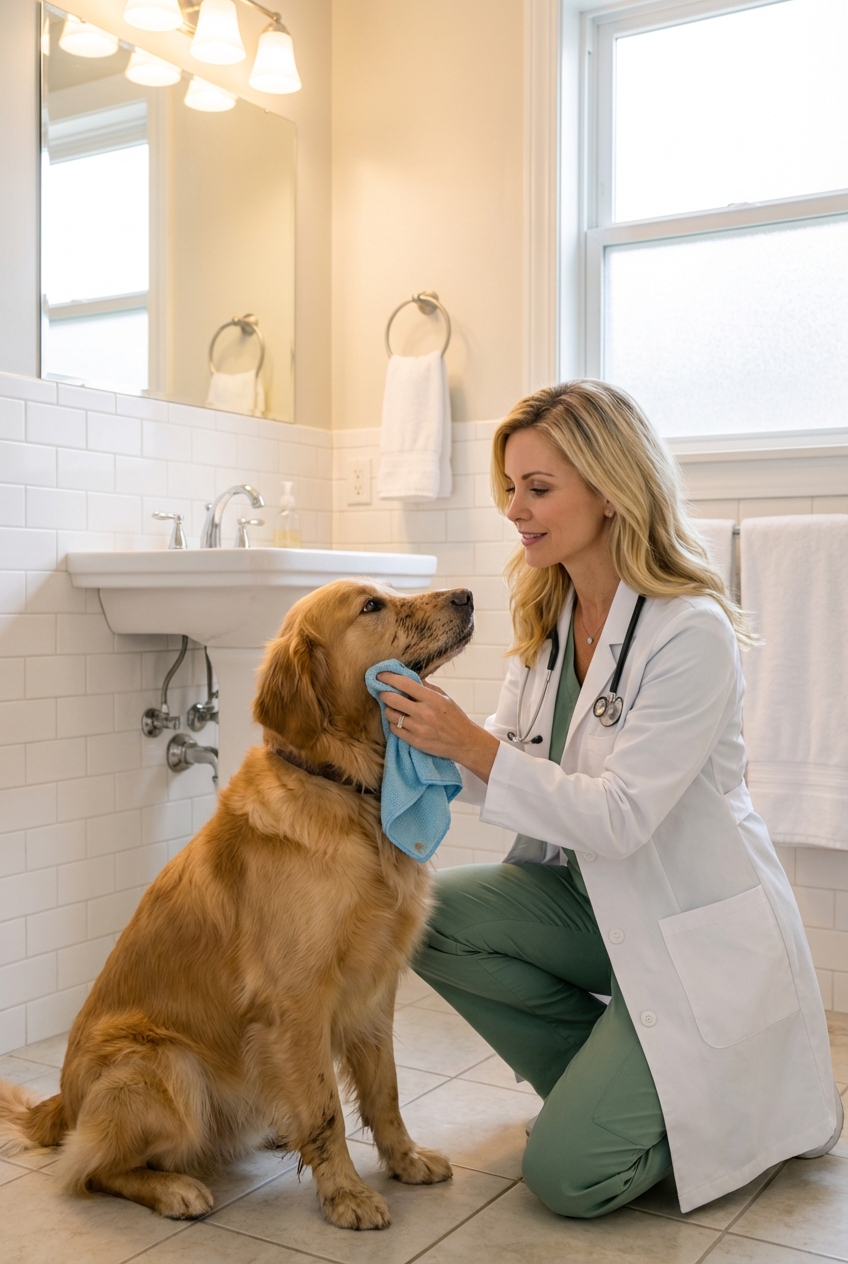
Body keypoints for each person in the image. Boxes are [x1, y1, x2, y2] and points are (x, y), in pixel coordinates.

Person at [377, 380, 841, 1219]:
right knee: (426, 915)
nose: (516, 509)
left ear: (611, 490)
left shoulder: (688, 629)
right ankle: (619, 1089)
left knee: (568, 1181)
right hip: (594, 906)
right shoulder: (551, 615)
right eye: (510, 488)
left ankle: (698, 1113)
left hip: (691, 926)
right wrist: (409, 738)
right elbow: (504, 762)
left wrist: (467, 744)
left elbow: (620, 817)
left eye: (540, 488)